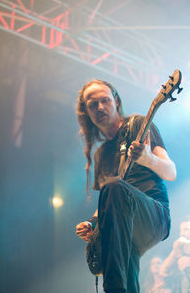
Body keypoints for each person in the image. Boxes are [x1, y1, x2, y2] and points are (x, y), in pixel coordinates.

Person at [75, 79, 176, 293]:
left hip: (153, 215)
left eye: (105, 100)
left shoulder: (138, 124)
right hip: (123, 227)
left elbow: (171, 172)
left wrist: (148, 159)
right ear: (86, 112)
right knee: (124, 263)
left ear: (116, 101)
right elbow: (108, 200)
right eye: (93, 104)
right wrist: (93, 224)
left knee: (114, 189)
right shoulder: (101, 154)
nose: (100, 107)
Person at [160, 218, 190, 293]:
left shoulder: (182, 245)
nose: (181, 234)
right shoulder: (180, 246)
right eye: (180, 230)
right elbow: (163, 270)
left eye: (186, 229)